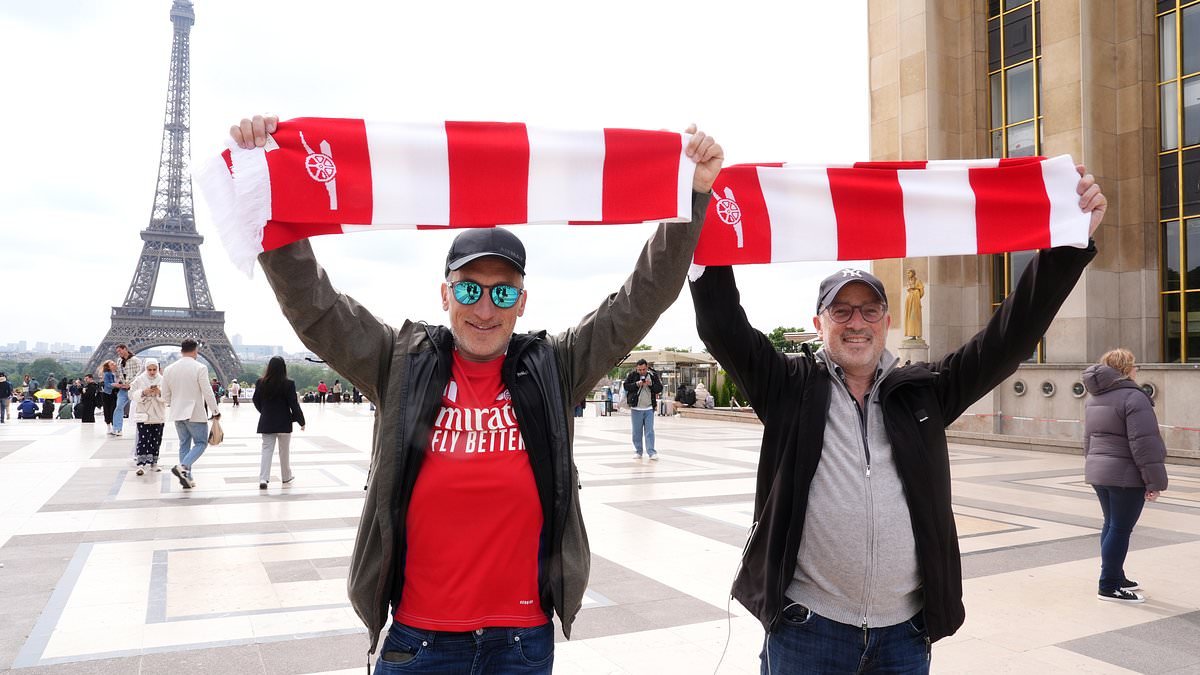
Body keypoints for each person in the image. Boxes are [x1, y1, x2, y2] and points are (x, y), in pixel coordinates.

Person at [232, 113, 722, 670]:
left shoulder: (554, 367)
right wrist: (262, 182)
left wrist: (693, 195)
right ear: (445, 294)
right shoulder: (400, 362)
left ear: (523, 300)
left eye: (502, 293)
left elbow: (641, 299)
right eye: (469, 289)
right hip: (420, 637)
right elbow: (316, 307)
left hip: (521, 640)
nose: (485, 309)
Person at [689, 166, 1106, 673]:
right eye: (840, 312)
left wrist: (1066, 248)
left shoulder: (922, 393)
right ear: (818, 324)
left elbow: (1008, 340)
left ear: (888, 321)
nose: (856, 323)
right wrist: (699, 214)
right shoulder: (789, 387)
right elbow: (722, 325)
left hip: (903, 638)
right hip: (807, 630)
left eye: (869, 311)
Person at [1082, 348, 1168, 604]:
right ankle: (1108, 586)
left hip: (1100, 472)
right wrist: (1154, 481)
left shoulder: (1094, 397)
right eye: (1134, 365)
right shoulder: (1134, 397)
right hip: (1125, 475)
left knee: (1111, 525)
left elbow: (1088, 439)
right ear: (1127, 369)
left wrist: (1092, 465)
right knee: (1119, 529)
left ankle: (1115, 576)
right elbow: (1144, 444)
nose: (1137, 369)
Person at [161, 339, 221, 489]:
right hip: (194, 412)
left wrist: (174, 403)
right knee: (201, 443)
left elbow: (165, 395)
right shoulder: (200, 367)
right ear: (195, 351)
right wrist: (215, 411)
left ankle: (187, 478)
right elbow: (207, 391)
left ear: (181, 351)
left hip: (177, 412)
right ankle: (184, 466)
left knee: (184, 445)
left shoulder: (169, 369)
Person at [253, 356, 306, 490]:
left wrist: (264, 412)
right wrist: (301, 421)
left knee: (266, 450)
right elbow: (294, 404)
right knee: (284, 451)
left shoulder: (260, 382)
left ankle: (263, 478)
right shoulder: (289, 383)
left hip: (267, 421)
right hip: (284, 422)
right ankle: (286, 476)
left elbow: (256, 400)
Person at [131, 358, 167, 475]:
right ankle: (141, 464)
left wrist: (159, 392)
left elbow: (167, 397)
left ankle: (153, 463)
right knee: (143, 439)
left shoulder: (163, 380)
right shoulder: (139, 380)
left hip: (157, 414)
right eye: (149, 369)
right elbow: (131, 394)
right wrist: (143, 393)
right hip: (144, 414)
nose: (152, 372)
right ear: (146, 369)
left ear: (158, 368)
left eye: (154, 369)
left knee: (156, 439)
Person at [623, 359, 663, 460]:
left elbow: (659, 388)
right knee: (637, 431)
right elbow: (626, 386)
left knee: (649, 431)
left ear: (647, 367)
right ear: (636, 368)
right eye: (639, 370)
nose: (642, 371)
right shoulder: (632, 375)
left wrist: (651, 384)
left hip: (649, 407)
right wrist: (637, 384)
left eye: (644, 369)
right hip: (636, 408)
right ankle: (638, 451)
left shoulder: (653, 375)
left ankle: (651, 452)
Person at [112, 344, 143, 437]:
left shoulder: (136, 360)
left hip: (133, 389)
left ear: (125, 349)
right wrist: (119, 383)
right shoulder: (119, 361)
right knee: (118, 407)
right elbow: (119, 374)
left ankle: (140, 428)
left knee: (138, 409)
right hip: (123, 389)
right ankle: (117, 429)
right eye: (117, 352)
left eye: (120, 351)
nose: (119, 353)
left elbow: (139, 374)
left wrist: (130, 384)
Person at [100, 360, 118, 433]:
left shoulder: (116, 373)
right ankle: (109, 426)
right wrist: (115, 385)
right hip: (107, 393)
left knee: (113, 410)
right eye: (112, 364)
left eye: (114, 363)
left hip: (113, 393)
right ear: (108, 366)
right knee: (107, 410)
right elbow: (107, 384)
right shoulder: (107, 374)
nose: (114, 364)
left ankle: (113, 426)